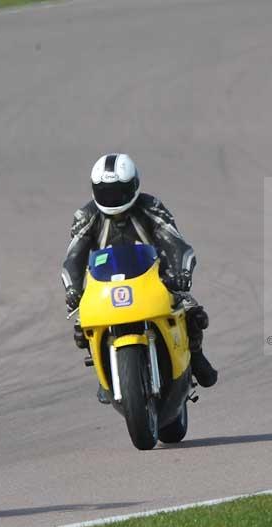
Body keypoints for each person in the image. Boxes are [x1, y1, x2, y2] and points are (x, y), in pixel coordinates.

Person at [62, 153, 218, 403]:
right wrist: (72, 289)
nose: (112, 198)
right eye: (106, 191)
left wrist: (182, 273)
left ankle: (195, 356)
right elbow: (73, 257)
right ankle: (105, 376)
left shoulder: (150, 206)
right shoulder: (86, 216)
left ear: (133, 186)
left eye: (118, 191)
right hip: (105, 283)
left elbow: (176, 242)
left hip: (155, 276)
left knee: (192, 312)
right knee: (82, 329)